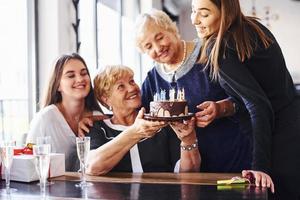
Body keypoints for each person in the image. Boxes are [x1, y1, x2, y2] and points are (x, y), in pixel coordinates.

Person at [191, 0, 300, 198]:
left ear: (225, 13)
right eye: (193, 11)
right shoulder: (254, 27)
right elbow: (265, 92)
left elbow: (258, 104)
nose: (195, 20)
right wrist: (223, 107)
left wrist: (260, 167)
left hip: (279, 141)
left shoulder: (219, 46)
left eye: (204, 14)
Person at [134, 9, 253, 173]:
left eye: (159, 37)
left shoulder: (210, 53)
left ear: (172, 29)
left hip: (232, 158)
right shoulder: (152, 79)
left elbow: (248, 99)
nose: (157, 47)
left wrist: (221, 108)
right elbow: (136, 116)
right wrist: (92, 115)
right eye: (148, 46)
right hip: (189, 169)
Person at [86, 65, 200, 175]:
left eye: (132, 81)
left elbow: (189, 173)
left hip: (162, 193)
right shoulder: (99, 128)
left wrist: (189, 140)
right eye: (121, 86)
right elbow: (93, 167)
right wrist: (135, 132)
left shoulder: (161, 122)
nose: (132, 88)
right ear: (106, 99)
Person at [26, 53, 105, 171]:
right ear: (58, 86)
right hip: (51, 187)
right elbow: (29, 162)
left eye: (84, 73)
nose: (80, 79)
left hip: (89, 187)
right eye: (71, 75)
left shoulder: (98, 117)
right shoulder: (45, 118)